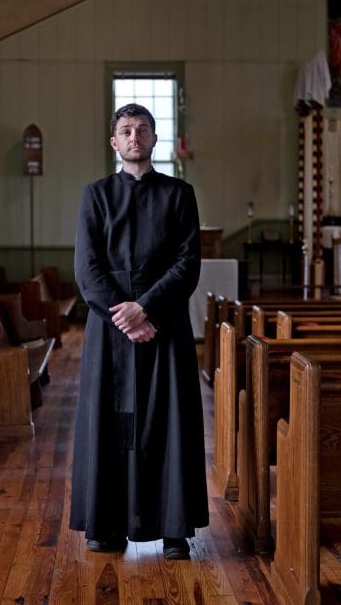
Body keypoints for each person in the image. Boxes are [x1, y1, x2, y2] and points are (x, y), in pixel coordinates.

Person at [69, 103, 209, 560]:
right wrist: (124, 316)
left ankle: (172, 529)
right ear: (114, 142)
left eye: (142, 130)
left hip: (163, 327)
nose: (134, 137)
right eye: (126, 131)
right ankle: (105, 525)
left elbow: (188, 263)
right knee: (111, 426)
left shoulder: (179, 195)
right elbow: (87, 267)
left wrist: (145, 309)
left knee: (167, 425)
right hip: (110, 332)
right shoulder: (95, 195)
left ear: (154, 140)